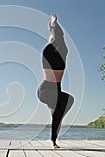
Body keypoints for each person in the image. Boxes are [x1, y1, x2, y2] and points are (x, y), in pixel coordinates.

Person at [37, 14, 74, 148]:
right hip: (45, 91)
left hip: (56, 91)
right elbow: (58, 37)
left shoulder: (63, 53)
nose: (59, 45)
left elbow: (61, 38)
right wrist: (53, 23)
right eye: (56, 43)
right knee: (64, 104)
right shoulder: (47, 52)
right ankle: (57, 121)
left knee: (67, 101)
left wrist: (55, 26)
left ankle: (53, 141)